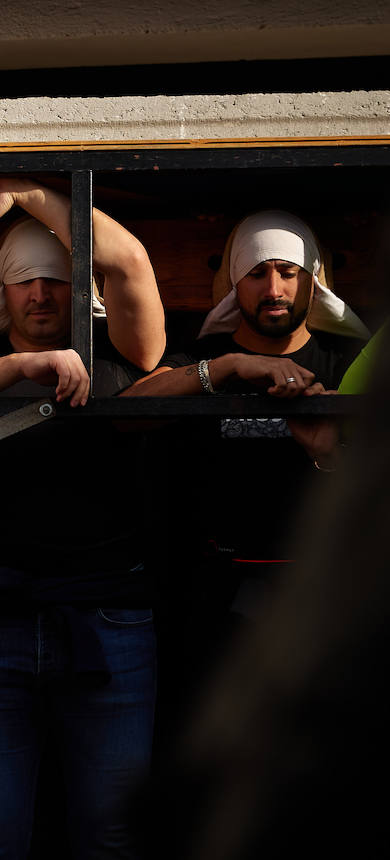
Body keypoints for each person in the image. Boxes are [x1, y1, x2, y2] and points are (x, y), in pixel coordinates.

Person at [0, 176, 165, 859]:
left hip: (109, 619)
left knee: (110, 834)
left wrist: (22, 188)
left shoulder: (126, 360)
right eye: (24, 280)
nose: (42, 293)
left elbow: (131, 261)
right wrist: (23, 366)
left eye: (56, 278)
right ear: (3, 290)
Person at [122, 211, 370, 738]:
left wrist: (328, 454)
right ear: (236, 282)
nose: (274, 288)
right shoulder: (205, 360)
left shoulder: (346, 363)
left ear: (312, 279)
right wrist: (230, 368)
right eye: (258, 273)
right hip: (213, 607)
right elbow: (126, 412)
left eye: (288, 271)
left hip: (320, 601)